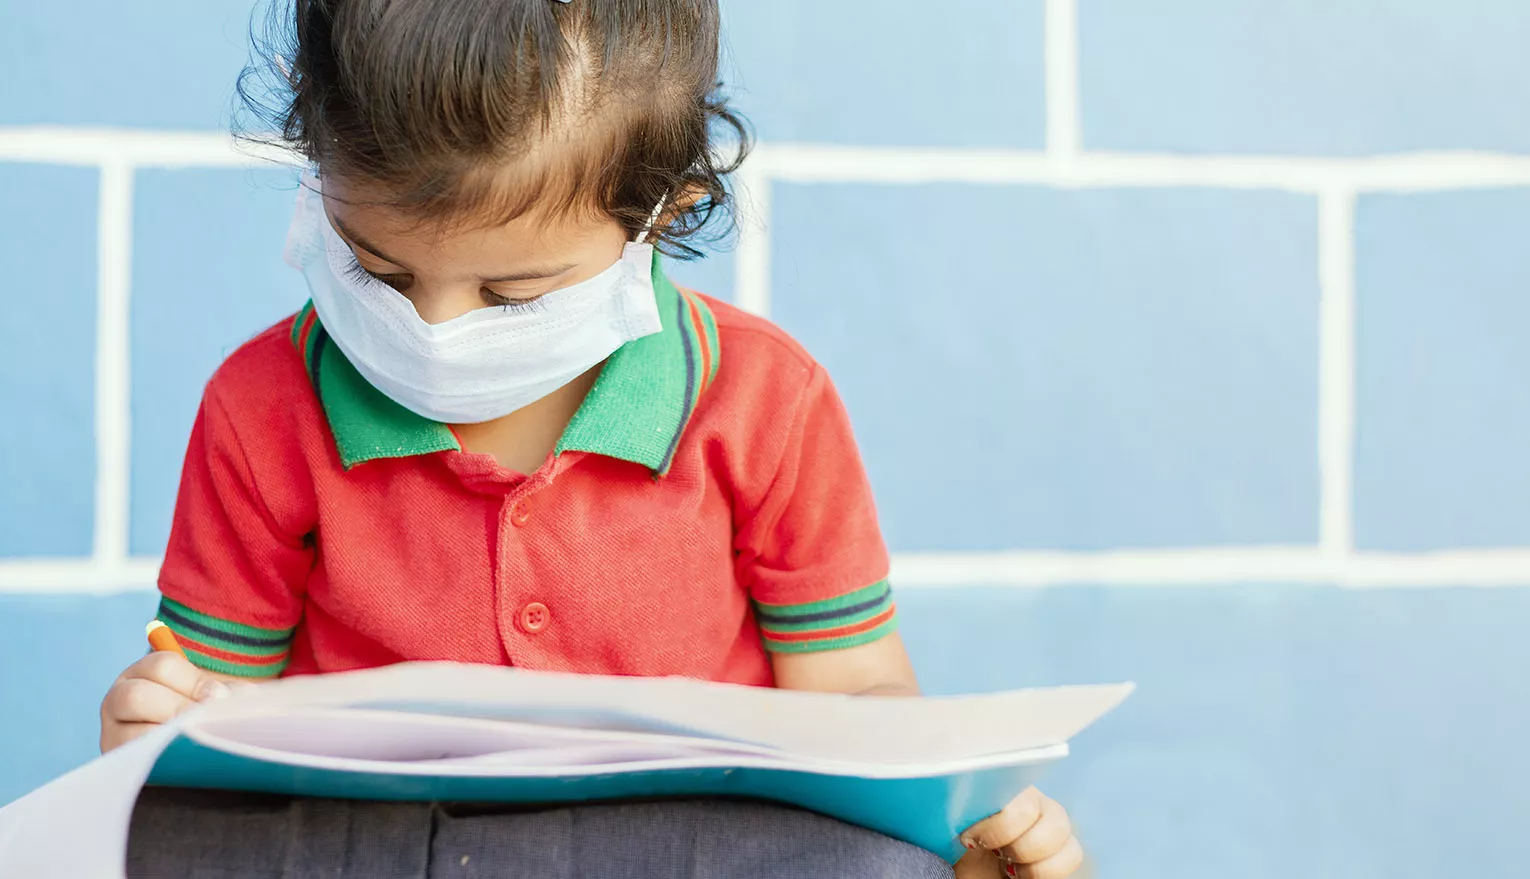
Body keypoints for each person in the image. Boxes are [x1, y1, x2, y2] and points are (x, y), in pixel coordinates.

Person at [99, 2, 1084, 877]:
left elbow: (856, 689)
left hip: (691, 842)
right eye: (379, 272)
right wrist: (156, 730)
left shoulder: (764, 399)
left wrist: (956, 814)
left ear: (665, 211)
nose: (435, 327)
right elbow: (213, 709)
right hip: (383, 840)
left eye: (512, 293)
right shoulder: (262, 403)